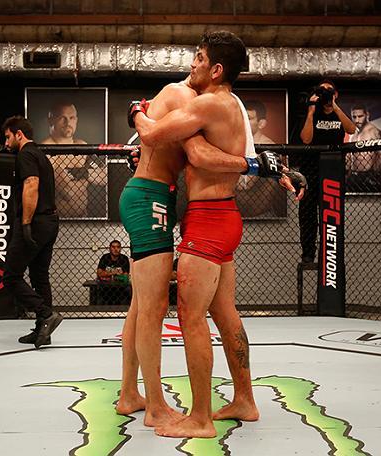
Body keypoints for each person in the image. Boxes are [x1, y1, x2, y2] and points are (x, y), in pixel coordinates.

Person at [131, 31, 300, 438]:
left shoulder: (207, 103)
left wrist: (137, 109)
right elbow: (222, 155)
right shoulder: (233, 104)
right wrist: (260, 166)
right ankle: (245, 399)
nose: (194, 63)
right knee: (224, 313)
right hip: (224, 217)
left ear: (217, 68)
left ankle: (201, 418)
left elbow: (158, 138)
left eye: (200, 57)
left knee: (191, 318)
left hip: (208, 222)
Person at [1, 116, 63, 349]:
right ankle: (42, 330)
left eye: (8, 137)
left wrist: (26, 223)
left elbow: (32, 184)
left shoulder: (26, 154)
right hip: (50, 221)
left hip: (36, 221)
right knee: (39, 276)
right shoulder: (41, 155)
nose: (6, 143)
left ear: (19, 134)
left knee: (10, 276)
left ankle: (45, 314)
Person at [297, 80, 355, 263]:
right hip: (310, 171)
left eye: (329, 91)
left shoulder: (339, 114)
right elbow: (306, 140)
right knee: (307, 215)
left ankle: (330, 253)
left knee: (331, 216)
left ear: (336, 94)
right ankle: (308, 253)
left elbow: (351, 129)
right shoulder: (311, 113)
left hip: (332, 172)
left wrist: (335, 107)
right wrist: (311, 110)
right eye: (323, 91)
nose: (326, 94)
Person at [41, 102, 106, 218]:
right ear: (51, 120)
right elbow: (69, 192)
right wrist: (87, 172)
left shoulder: (82, 145)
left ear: (76, 120)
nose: (68, 122)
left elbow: (104, 177)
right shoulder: (46, 151)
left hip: (84, 218)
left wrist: (81, 172)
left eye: (71, 118)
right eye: (62, 118)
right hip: (58, 221)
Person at [345, 105, 381, 193]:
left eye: (360, 116)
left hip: (369, 175)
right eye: (354, 117)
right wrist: (347, 176)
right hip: (353, 175)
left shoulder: (374, 131)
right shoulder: (353, 134)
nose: (357, 120)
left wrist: (375, 175)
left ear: (367, 115)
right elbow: (350, 158)